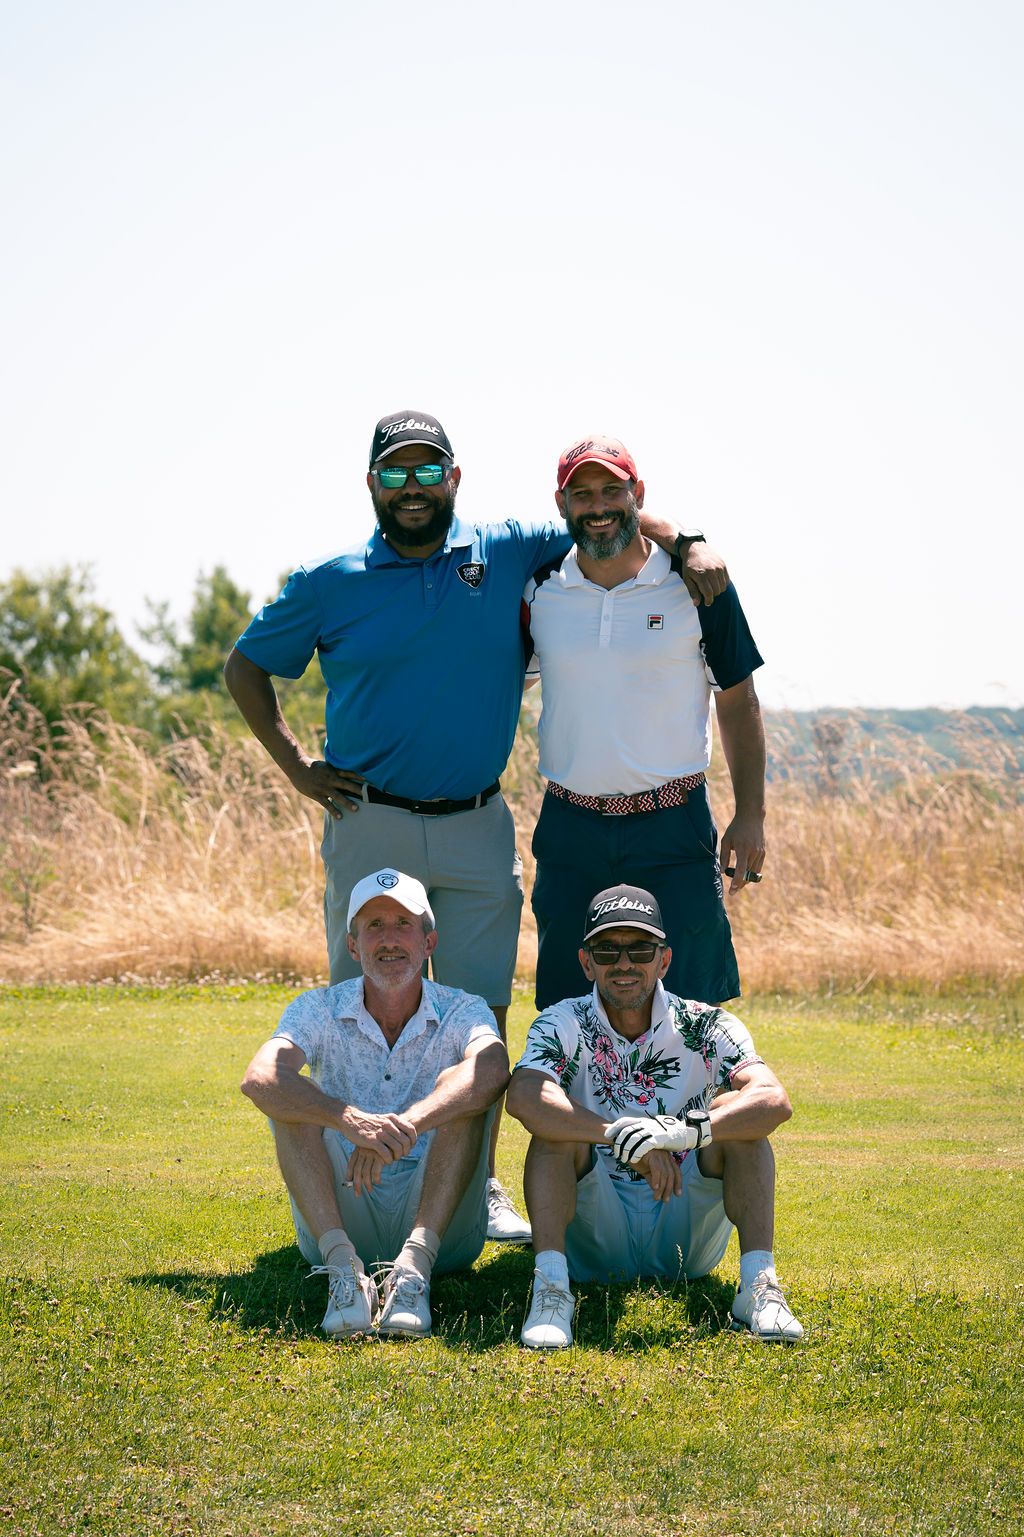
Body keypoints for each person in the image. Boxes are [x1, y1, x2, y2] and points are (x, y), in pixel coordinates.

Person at [225, 410, 727, 1241]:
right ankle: (361, 1183)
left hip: (477, 823)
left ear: (454, 478)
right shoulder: (328, 579)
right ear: (372, 483)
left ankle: (481, 1183)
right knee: (366, 1006)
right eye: (396, 472)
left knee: (483, 1020)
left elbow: (606, 516)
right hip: (370, 818)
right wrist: (298, 768)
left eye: (429, 471)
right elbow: (246, 666)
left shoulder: (506, 549)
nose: (413, 487)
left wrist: (691, 540)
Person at [522, 432, 766, 1011]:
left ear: (638, 494)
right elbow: (499, 686)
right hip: (571, 825)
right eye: (583, 494)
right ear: (561, 504)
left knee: (690, 1003)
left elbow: (738, 700)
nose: (599, 506)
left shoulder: (699, 585)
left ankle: (694, 1080)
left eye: (613, 491)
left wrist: (751, 814)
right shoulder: (538, 587)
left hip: (673, 825)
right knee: (567, 1003)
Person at [505, 884, 803, 1350]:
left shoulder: (705, 1023)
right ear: (586, 962)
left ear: (663, 960)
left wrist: (684, 1133)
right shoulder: (562, 1020)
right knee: (553, 1129)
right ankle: (552, 1289)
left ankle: (759, 1286)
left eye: (640, 950)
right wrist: (620, 1136)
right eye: (607, 950)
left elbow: (773, 1099)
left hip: (685, 1224)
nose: (624, 963)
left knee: (736, 1115)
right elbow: (524, 1095)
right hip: (593, 1228)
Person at [240, 868, 509, 1339]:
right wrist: (346, 1119)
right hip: (344, 1213)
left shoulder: (464, 1007)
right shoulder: (317, 1007)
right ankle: (344, 1271)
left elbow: (493, 1069)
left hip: (442, 1224)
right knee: (290, 1098)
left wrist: (401, 1126)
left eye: (404, 924)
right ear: (352, 946)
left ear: (429, 942)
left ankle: (415, 1270)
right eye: (374, 926)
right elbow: (259, 1078)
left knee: (463, 1091)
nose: (389, 939)